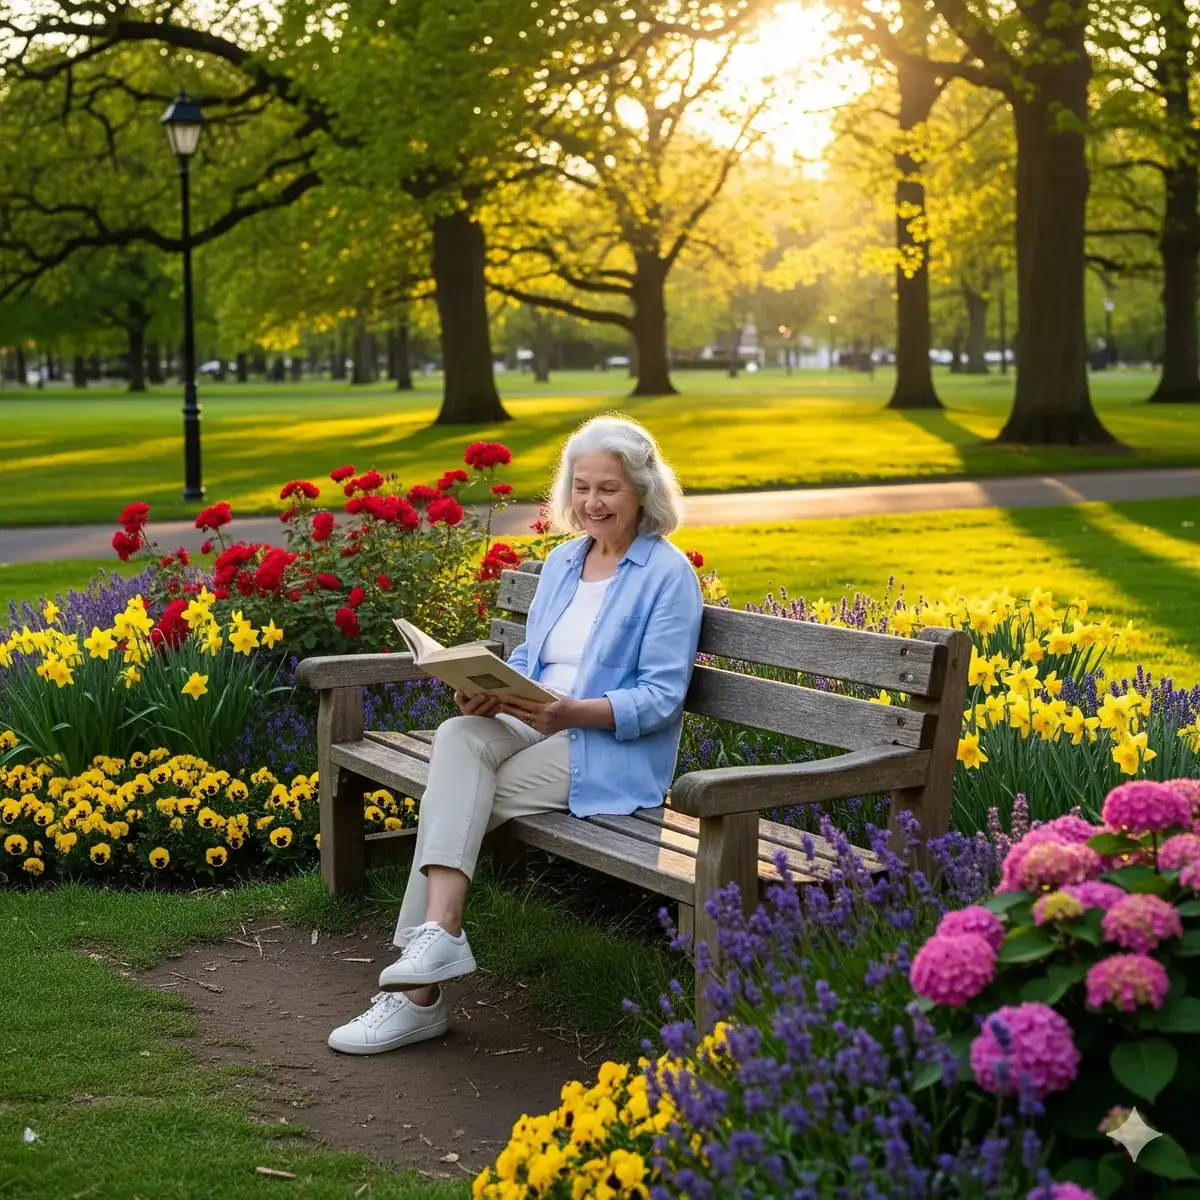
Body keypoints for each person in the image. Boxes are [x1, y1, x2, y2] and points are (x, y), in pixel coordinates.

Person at [328, 415, 704, 1054]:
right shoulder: (564, 562)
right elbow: (533, 658)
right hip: (532, 721)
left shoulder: (667, 576)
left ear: (642, 489)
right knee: (457, 735)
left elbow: (663, 698)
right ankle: (440, 937)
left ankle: (415, 996)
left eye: (608, 488)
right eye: (581, 487)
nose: (591, 503)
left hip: (607, 748)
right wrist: (487, 691)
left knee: (458, 802)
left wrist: (572, 711)